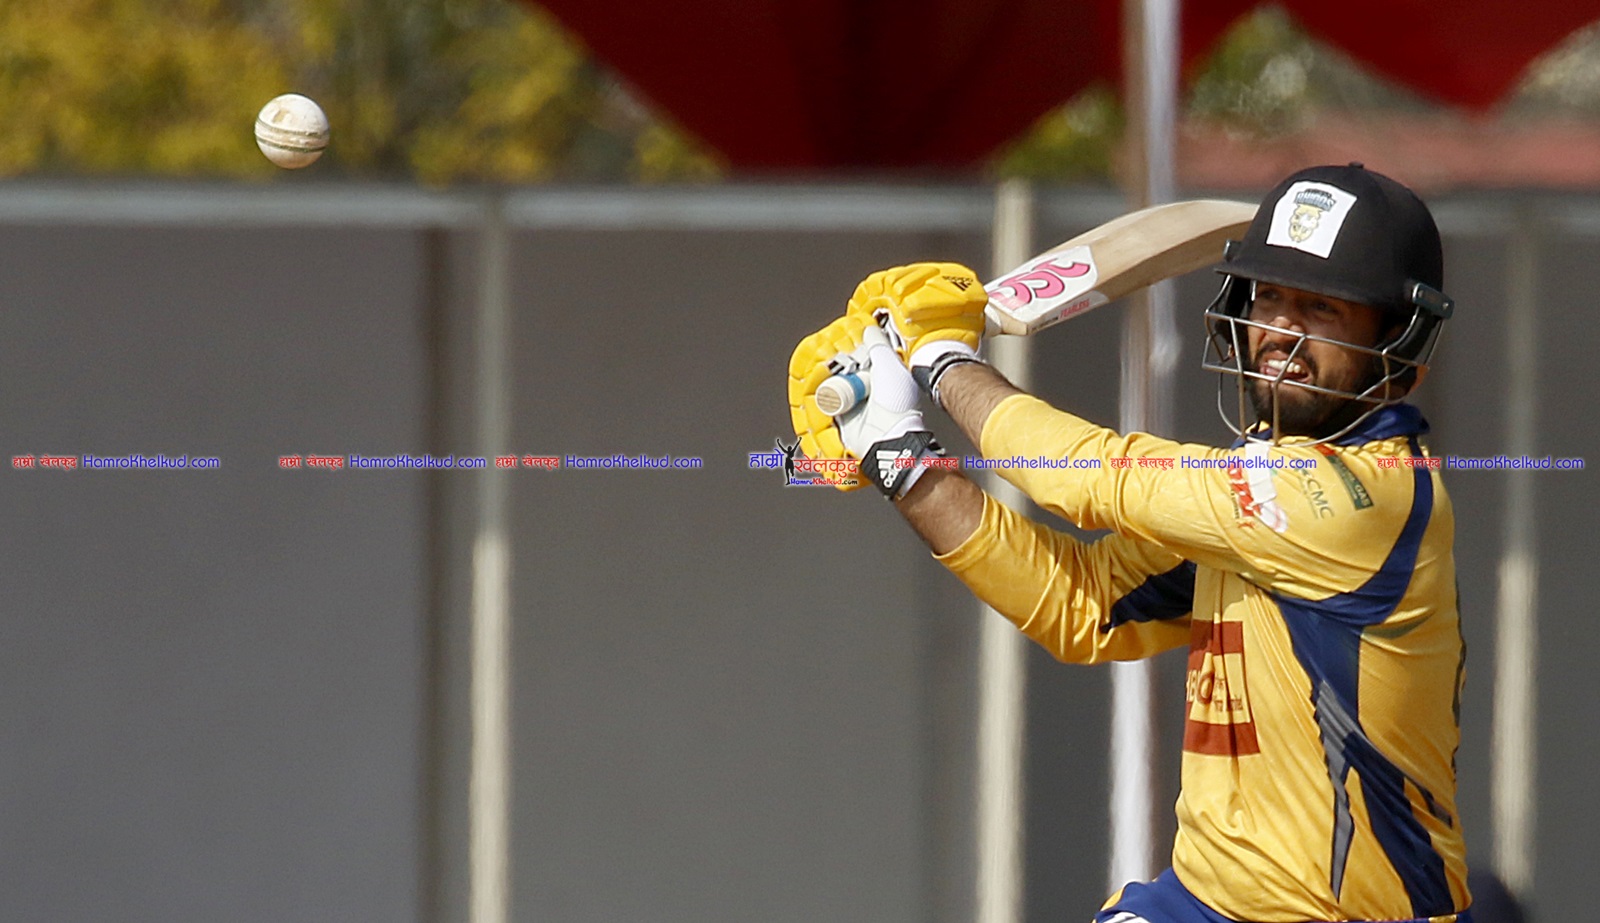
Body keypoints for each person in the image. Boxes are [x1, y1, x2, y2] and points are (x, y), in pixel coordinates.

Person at [787, 164, 1471, 923]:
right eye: (1269, 298)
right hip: (1207, 901)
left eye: (1322, 308)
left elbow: (1089, 474)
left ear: (1398, 343)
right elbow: (1084, 606)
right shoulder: (1250, 507)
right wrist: (903, 460)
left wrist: (944, 362)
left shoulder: (1357, 501)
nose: (1280, 332)